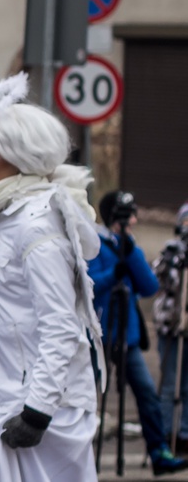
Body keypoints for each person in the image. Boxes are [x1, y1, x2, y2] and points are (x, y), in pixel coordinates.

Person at [0, 72, 105, 481]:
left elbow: (61, 326)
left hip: (43, 414)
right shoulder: (15, 216)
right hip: (15, 402)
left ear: (21, 154)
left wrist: (37, 413)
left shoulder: (36, 223)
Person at [89, 190, 188, 475]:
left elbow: (148, 286)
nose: (133, 220)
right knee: (85, 392)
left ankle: (158, 451)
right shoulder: (95, 244)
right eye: (128, 215)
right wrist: (113, 274)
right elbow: (91, 286)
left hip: (127, 337)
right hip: (99, 335)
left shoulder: (130, 247)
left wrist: (130, 254)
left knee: (146, 392)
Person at [153, 203, 188, 455]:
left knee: (186, 384)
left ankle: (185, 433)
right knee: (168, 384)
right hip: (170, 327)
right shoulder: (171, 251)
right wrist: (175, 259)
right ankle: (164, 433)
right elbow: (159, 278)